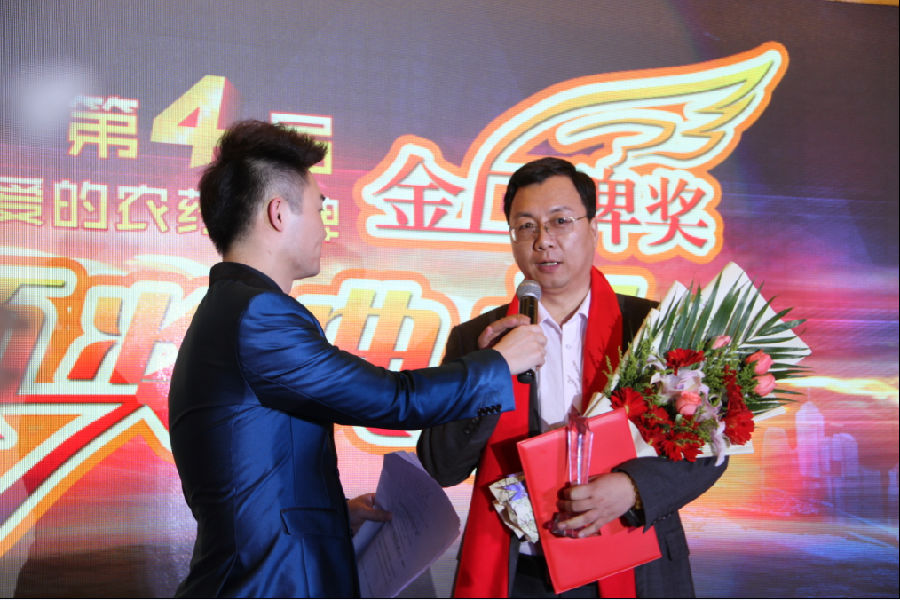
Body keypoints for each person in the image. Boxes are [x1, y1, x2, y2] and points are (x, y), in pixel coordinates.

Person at [167, 120, 546, 598]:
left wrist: (331, 516)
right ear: (278, 213)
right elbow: (392, 400)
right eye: (320, 208)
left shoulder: (229, 309)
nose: (326, 228)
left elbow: (252, 473)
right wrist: (499, 365)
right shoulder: (259, 316)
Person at [417, 157, 727, 598]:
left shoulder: (652, 328)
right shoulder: (479, 339)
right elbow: (442, 465)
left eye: (560, 221)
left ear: (593, 228)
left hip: (635, 562)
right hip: (520, 572)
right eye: (526, 226)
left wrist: (633, 488)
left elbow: (711, 446)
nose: (543, 240)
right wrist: (489, 372)